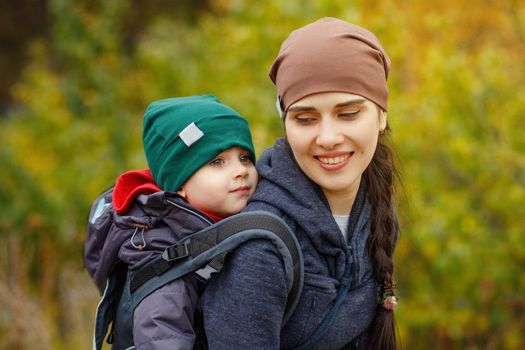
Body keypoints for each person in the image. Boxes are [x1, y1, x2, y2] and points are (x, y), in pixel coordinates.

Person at [201, 17, 399, 349]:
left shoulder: (376, 211)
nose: (328, 137)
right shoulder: (261, 249)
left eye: (348, 114)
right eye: (305, 119)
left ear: (381, 115)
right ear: (287, 125)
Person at [88, 94, 257, 349]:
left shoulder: (227, 221)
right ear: (179, 185)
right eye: (217, 162)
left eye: (244, 158)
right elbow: (161, 338)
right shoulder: (165, 261)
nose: (241, 170)